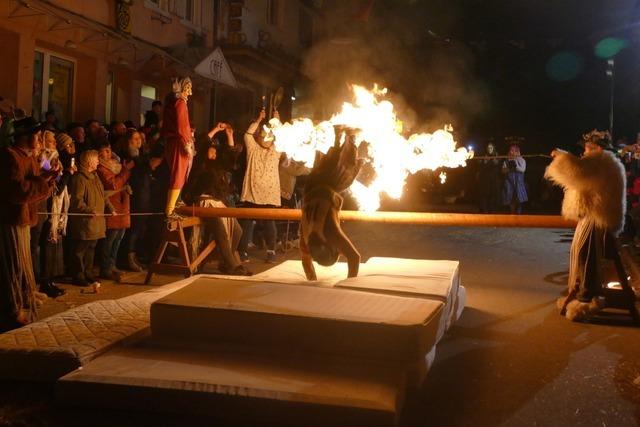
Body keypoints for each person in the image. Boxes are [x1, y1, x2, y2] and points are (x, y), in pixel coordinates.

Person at [545, 130, 626, 321]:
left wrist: (560, 156)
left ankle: (586, 297)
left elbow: (577, 171)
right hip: (593, 216)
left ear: (597, 148)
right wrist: (565, 156)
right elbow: (580, 169)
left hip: (598, 219)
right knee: (580, 253)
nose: (584, 152)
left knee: (586, 256)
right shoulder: (603, 161)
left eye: (587, 148)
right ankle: (578, 291)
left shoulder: (602, 160)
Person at [0, 117, 57, 330]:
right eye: (38, 136)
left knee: (23, 265)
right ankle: (11, 310)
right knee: (13, 266)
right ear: (26, 137)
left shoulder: (30, 158)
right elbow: (17, 190)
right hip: (11, 220)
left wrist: (48, 178)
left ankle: (23, 300)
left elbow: (34, 183)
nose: (40, 140)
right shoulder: (9, 156)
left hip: (24, 218)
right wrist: (42, 182)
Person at [300, 127, 362, 280]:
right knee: (331, 164)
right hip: (311, 186)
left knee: (346, 168)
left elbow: (354, 257)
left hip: (327, 186)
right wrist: (312, 281)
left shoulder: (330, 234)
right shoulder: (306, 242)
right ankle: (338, 135)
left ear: (332, 247)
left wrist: (349, 284)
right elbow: (306, 263)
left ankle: (350, 136)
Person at [187, 123, 249, 275]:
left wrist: (229, 135)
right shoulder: (200, 163)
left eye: (215, 152)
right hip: (204, 201)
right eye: (211, 151)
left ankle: (225, 261)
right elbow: (202, 144)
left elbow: (231, 155)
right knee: (220, 230)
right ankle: (232, 266)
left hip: (219, 202)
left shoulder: (218, 165)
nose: (214, 154)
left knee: (238, 230)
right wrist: (215, 130)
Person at [238, 108, 282, 263]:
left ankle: (271, 252)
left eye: (269, 137)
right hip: (252, 193)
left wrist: (277, 121)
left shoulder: (275, 151)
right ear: (258, 138)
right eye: (263, 135)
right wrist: (258, 120)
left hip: (268, 196)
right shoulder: (253, 149)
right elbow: (247, 135)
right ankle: (242, 252)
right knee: (248, 223)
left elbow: (283, 137)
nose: (266, 138)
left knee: (269, 224)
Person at [67, 150, 116, 287]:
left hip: (96, 221)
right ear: (89, 162)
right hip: (85, 222)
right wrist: (89, 210)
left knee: (91, 248)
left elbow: (103, 196)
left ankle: (88, 273)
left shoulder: (95, 177)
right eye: (96, 160)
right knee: (80, 250)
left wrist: (111, 209)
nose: (98, 162)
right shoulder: (79, 179)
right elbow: (77, 201)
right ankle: (78, 275)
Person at [96, 141, 133, 281]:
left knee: (118, 238)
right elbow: (113, 184)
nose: (106, 153)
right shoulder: (101, 169)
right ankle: (105, 268)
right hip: (111, 204)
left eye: (108, 150)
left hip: (123, 204)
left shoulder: (115, 165)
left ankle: (112, 264)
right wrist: (126, 171)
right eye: (103, 151)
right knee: (110, 238)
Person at [162, 77, 195, 217]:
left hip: (175, 142)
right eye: (188, 88)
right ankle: (170, 209)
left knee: (179, 173)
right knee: (179, 173)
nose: (190, 93)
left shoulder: (173, 102)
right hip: (179, 143)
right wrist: (187, 144)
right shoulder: (180, 103)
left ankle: (176, 202)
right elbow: (182, 126)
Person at [502, 141, 527, 214]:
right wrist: (509, 168)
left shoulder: (522, 160)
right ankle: (512, 214)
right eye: (511, 150)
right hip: (509, 183)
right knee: (511, 200)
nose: (512, 152)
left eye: (514, 150)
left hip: (518, 183)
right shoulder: (506, 160)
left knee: (519, 199)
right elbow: (503, 170)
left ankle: (519, 215)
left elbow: (522, 169)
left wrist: (515, 164)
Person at [477, 142, 502, 213]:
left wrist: (494, 160)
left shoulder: (497, 155)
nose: (489, 149)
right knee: (484, 194)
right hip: (485, 179)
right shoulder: (483, 156)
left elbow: (498, 165)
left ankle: (492, 211)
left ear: (493, 148)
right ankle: (484, 210)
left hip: (494, 179)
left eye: (491, 148)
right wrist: (484, 161)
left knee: (493, 195)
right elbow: (479, 166)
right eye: (488, 148)